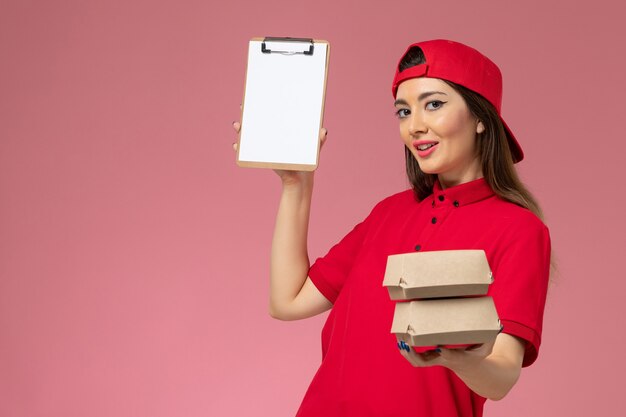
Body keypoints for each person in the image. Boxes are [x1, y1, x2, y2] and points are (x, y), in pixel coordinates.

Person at [232, 39, 551, 417]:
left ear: (481, 116)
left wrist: (450, 356)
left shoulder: (519, 229)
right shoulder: (388, 213)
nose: (415, 126)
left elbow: (502, 377)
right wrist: (295, 184)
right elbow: (287, 301)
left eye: (434, 104)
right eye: (403, 111)